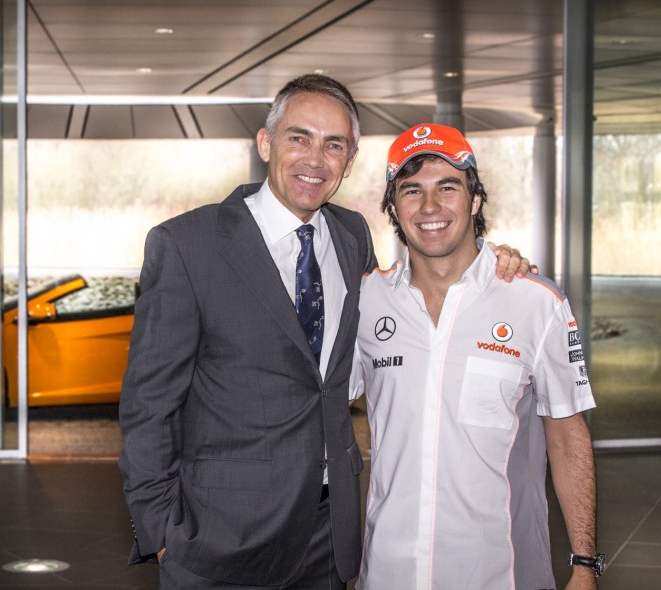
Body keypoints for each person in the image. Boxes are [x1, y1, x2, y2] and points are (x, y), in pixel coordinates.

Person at [119, 75, 530, 589]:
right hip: (219, 541)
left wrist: (492, 263)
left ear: (349, 160)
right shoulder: (187, 245)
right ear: (266, 143)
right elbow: (149, 404)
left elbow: (401, 311)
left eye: (333, 144)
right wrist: (160, 529)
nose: (315, 159)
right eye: (299, 137)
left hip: (330, 539)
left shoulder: (351, 234)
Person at [351, 123, 602, 589]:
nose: (430, 207)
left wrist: (584, 564)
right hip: (388, 571)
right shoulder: (366, 300)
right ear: (393, 207)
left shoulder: (535, 302)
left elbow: (568, 437)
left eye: (448, 187)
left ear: (475, 199)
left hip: (499, 574)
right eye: (411, 191)